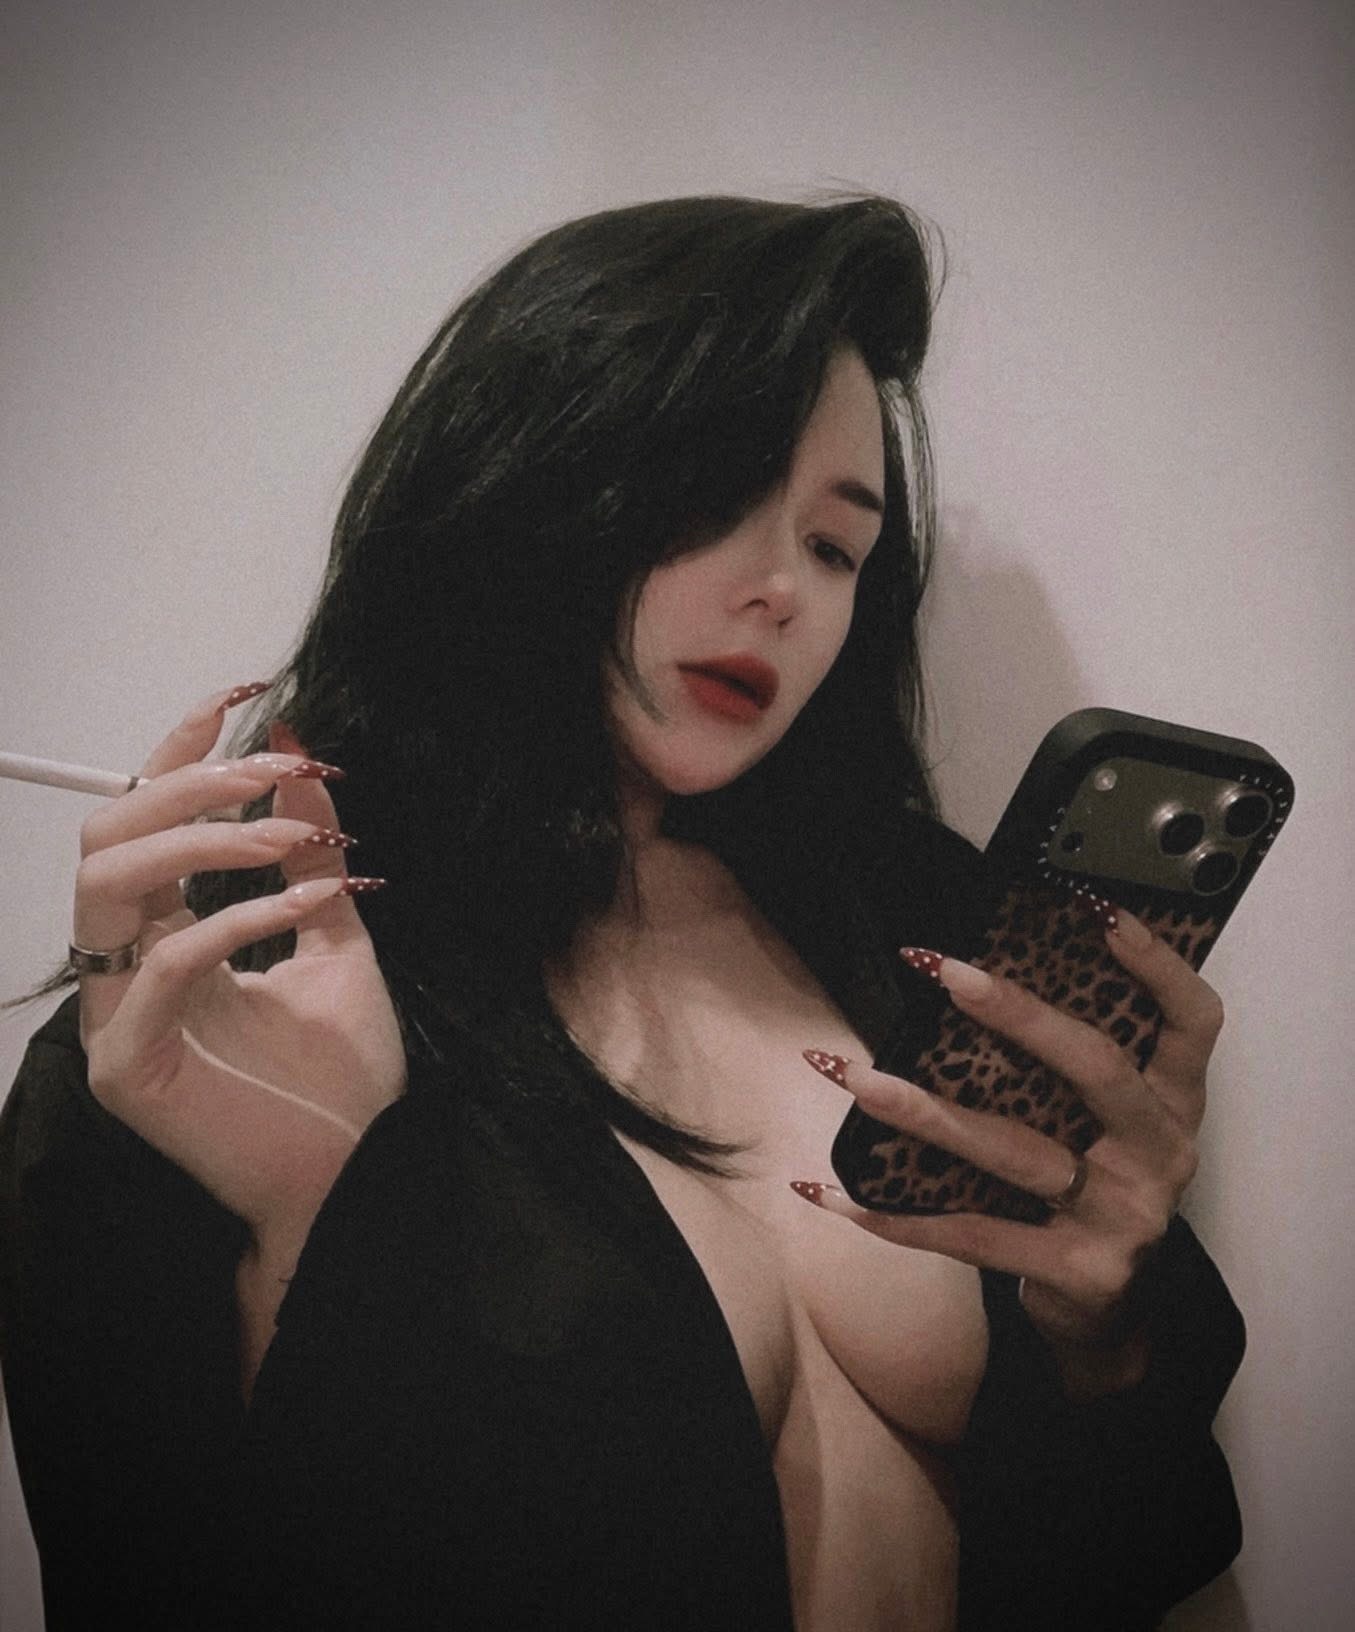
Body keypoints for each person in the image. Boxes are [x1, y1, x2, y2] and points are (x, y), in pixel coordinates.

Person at [0, 193, 1243, 1630]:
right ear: (524, 471)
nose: (780, 592)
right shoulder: (215, 1020)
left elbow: (1147, 1550)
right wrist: (321, 1220)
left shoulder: (929, 927)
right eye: (712, 493)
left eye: (835, 549)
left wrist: (1108, 1336)